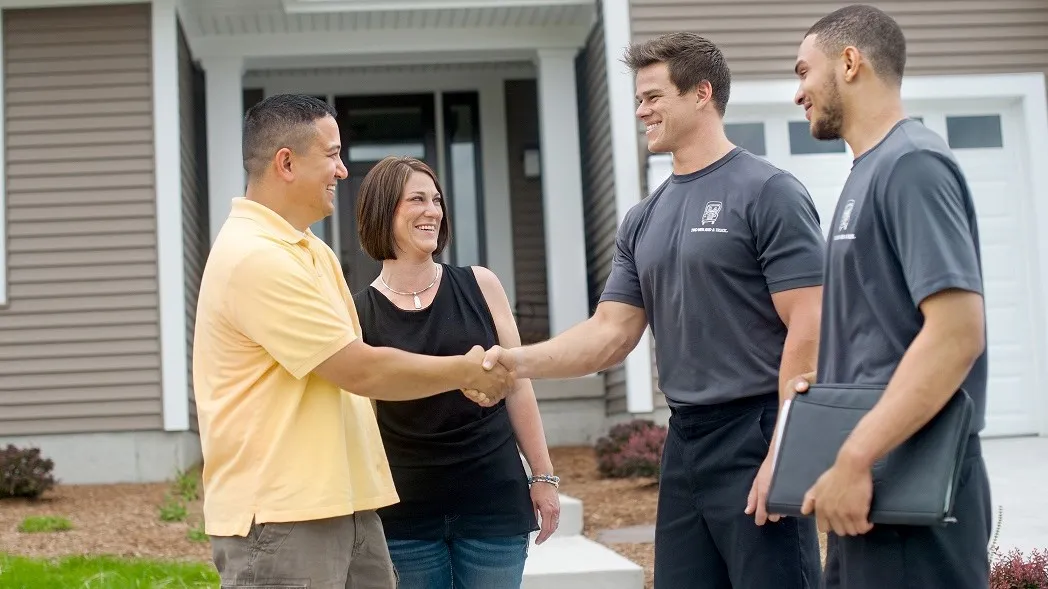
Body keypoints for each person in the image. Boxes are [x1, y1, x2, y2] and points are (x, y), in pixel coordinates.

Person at [481, 32, 826, 588]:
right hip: (685, 439)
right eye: (638, 98)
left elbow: (809, 327)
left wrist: (787, 453)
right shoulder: (645, 217)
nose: (641, 110)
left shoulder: (769, 192)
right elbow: (610, 334)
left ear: (701, 93)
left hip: (757, 430)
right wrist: (514, 363)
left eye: (653, 96)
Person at [192, 94, 514, 589]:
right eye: (333, 154)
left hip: (344, 505)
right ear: (286, 163)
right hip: (283, 517)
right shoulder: (253, 257)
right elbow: (358, 369)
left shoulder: (311, 252)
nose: (343, 171)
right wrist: (464, 371)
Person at [789, 5, 992, 588]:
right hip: (869, 492)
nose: (798, 92)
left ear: (849, 63)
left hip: (912, 492)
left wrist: (855, 456)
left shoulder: (913, 165)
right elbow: (882, 334)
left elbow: (956, 334)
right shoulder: (865, 172)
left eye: (804, 71)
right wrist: (828, 389)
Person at [350, 155, 560, 589]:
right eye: (417, 200)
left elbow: (518, 386)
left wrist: (542, 476)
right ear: (383, 210)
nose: (433, 211)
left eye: (437, 200)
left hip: (493, 503)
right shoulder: (357, 311)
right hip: (404, 513)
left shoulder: (480, 284)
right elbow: (362, 419)